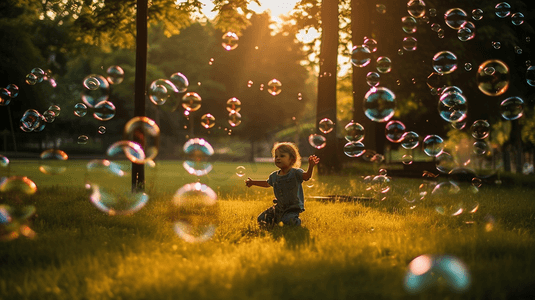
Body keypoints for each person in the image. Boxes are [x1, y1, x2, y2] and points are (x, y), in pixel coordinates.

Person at [246, 142, 320, 228]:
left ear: (292, 159)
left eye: (282, 156)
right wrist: (253, 182)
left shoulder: (295, 173)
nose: (278, 158)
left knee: (288, 220)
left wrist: (310, 166)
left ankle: (294, 221)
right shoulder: (274, 176)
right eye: (276, 156)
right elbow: (267, 183)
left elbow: (306, 177)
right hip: (279, 207)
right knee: (261, 218)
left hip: (292, 207)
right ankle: (278, 219)